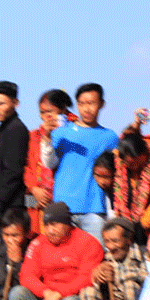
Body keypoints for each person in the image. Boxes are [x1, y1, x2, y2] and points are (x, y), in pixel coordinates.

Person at [44, 83, 119, 240]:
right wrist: (46, 138)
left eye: (91, 103)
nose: (86, 108)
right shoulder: (61, 133)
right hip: (63, 210)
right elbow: (49, 163)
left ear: (101, 104)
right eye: (82, 103)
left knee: (96, 257)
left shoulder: (110, 137)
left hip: (94, 209)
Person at [78, 218, 145, 300]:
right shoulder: (107, 258)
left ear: (129, 239)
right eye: (107, 241)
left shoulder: (143, 254)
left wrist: (118, 276)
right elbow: (96, 282)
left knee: (129, 285)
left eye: (115, 241)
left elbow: (146, 279)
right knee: (87, 293)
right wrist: (98, 275)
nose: (111, 246)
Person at [0, 81, 30, 228]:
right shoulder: (5, 129)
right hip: (2, 208)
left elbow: (13, 173)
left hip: (11, 210)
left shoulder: (16, 130)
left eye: (1, 104)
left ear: (15, 103)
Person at [109, 128, 150, 234]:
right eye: (128, 164)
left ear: (143, 155)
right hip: (125, 223)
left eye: (134, 163)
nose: (132, 167)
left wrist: (143, 224)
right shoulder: (118, 160)